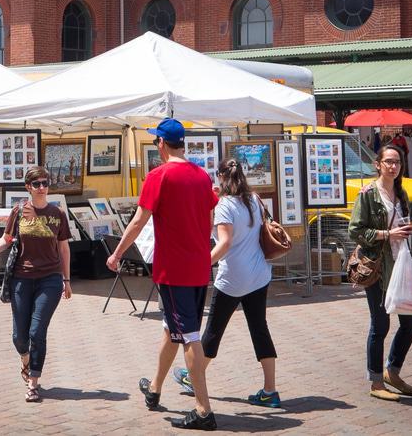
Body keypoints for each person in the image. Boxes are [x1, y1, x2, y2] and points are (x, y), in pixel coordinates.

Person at [105, 118, 220, 431]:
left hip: (174, 270)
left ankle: (203, 409)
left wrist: (116, 253)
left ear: (161, 144)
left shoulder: (159, 175)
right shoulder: (201, 175)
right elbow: (209, 217)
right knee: (174, 328)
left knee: (189, 336)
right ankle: (155, 388)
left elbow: (139, 221)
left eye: (156, 140)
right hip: (199, 266)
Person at [171, 158, 282, 408]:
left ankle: (193, 378)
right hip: (258, 275)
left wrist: (202, 264)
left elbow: (225, 243)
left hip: (232, 278)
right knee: (259, 329)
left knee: (213, 331)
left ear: (221, 177)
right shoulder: (253, 199)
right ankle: (270, 390)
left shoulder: (225, 205)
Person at [0, 166, 72, 403]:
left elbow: (64, 248)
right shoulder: (19, 210)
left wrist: (66, 280)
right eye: (37, 184)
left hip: (49, 279)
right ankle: (25, 360)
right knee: (20, 337)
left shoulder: (58, 213)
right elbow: (7, 239)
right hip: (21, 278)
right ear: (28, 187)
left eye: (45, 183)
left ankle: (33, 382)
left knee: (36, 331)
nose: (42, 187)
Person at [348, 144, 412, 402]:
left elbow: (409, 233)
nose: (393, 166)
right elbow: (355, 231)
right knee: (380, 324)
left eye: (397, 162)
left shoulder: (402, 194)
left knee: (411, 322)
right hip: (379, 267)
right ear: (378, 164)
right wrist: (386, 234)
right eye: (389, 161)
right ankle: (376, 381)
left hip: (403, 266)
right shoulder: (368, 194)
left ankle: (393, 370)